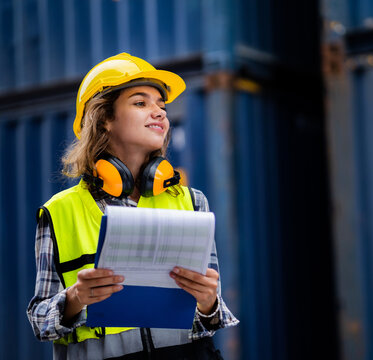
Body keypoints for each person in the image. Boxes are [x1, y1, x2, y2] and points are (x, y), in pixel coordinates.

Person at [26, 53, 239, 360]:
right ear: (104, 120)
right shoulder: (60, 212)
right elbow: (40, 322)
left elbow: (212, 317)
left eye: (161, 106)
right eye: (141, 103)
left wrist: (208, 301)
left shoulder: (193, 201)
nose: (159, 113)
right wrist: (74, 298)